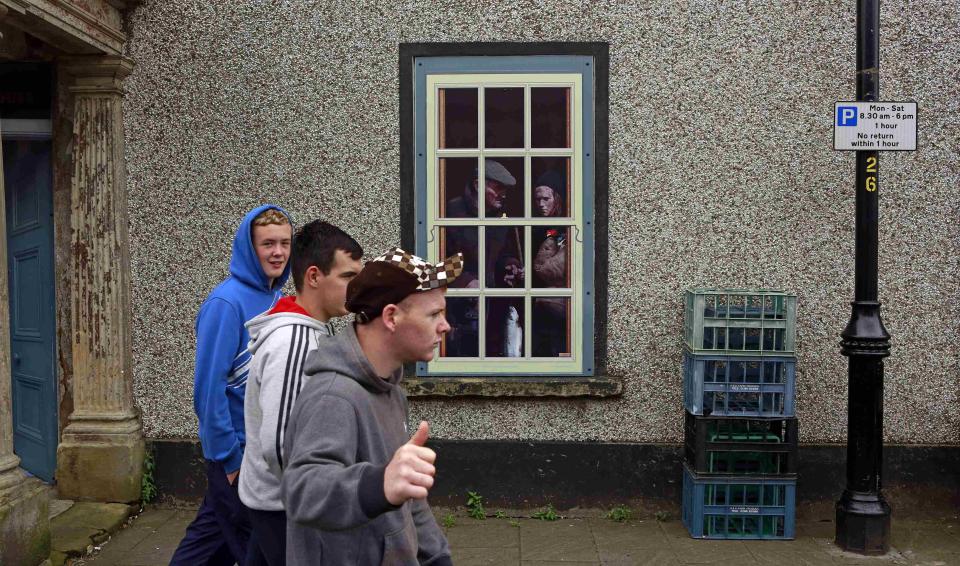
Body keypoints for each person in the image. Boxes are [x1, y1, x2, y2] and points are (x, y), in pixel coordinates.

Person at [281, 247, 461, 566]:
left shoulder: (390, 387)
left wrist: (436, 557)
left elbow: (408, 495)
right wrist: (379, 482)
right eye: (434, 314)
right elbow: (302, 489)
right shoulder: (334, 395)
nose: (446, 326)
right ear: (391, 317)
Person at [171, 205, 293, 565]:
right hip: (237, 458)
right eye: (267, 243)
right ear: (248, 248)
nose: (278, 252)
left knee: (213, 544)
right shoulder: (225, 304)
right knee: (255, 548)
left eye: (285, 243)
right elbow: (208, 393)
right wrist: (230, 462)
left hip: (261, 456)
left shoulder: (278, 299)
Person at [239, 220, 363, 566]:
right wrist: (315, 503)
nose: (356, 288)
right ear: (313, 277)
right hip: (284, 507)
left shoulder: (312, 330)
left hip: (277, 500)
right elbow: (279, 441)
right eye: (347, 277)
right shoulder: (293, 341)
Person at [531, 171, 570, 357]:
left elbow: (549, 269)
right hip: (540, 303)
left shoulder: (565, 227)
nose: (541, 204)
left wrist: (530, 272)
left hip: (558, 304)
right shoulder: (538, 226)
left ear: (558, 198)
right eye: (537, 199)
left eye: (546, 199)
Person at [446, 158, 517, 218]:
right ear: (478, 185)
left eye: (505, 189)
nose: (504, 195)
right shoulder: (453, 210)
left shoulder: (505, 213)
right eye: (498, 188)